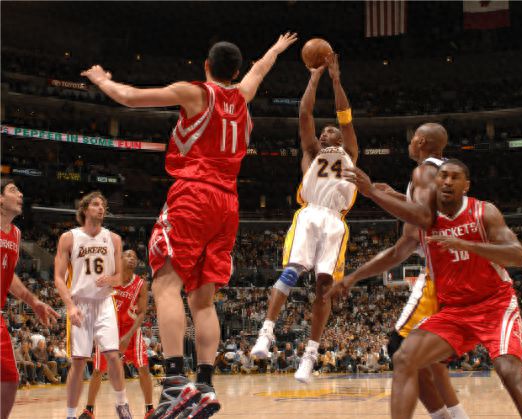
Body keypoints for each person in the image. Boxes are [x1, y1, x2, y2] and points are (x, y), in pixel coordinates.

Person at [82, 33, 297, 418]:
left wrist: (100, 80)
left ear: (206, 66)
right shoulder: (243, 96)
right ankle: (206, 385)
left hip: (195, 195)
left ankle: (175, 384)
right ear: (236, 72)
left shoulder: (196, 92)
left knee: (165, 283)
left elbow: (130, 97)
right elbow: (260, 70)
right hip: (228, 204)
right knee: (203, 299)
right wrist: (277, 49)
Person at [340, 123, 469, 418]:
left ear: (420, 141)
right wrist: (400, 197)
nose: (409, 144)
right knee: (427, 359)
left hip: (443, 272)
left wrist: (372, 192)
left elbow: (413, 233)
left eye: (412, 140)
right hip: (462, 268)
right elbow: (430, 211)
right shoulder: (443, 172)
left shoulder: (423, 171)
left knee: (400, 348)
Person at [390, 159, 522, 418]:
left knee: (508, 370)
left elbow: (518, 256)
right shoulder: (426, 219)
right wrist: (370, 190)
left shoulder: (484, 211)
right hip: (455, 311)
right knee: (403, 358)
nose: (447, 181)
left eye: (454, 177)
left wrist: (466, 244)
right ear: (435, 182)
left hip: (495, 305)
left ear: (466, 185)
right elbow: (399, 229)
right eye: (443, 176)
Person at [251, 53, 358, 385]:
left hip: (336, 220)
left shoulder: (349, 153)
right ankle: (266, 333)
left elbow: (345, 119)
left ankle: (310, 355)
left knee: (324, 286)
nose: (326, 133)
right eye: (322, 132)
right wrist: (314, 78)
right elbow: (304, 114)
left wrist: (336, 81)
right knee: (292, 270)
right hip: (310, 213)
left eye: (331, 131)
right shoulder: (311, 153)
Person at [54, 191, 131, 419]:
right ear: (85, 209)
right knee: (78, 362)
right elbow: (58, 278)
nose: (101, 208)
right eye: (96, 204)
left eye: (103, 205)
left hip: (105, 302)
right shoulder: (69, 238)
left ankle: (122, 404)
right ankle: (70, 414)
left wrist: (111, 280)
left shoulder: (114, 239)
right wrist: (70, 306)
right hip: (80, 303)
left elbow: (120, 277)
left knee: (113, 355)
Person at [1, 178, 59, 418]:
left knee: (9, 380)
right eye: (13, 190)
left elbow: (9, 276)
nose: (20, 194)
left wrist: (34, 301)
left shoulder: (15, 234)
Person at [79, 250, 153, 419]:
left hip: (131, 332)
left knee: (143, 368)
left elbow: (142, 313)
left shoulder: (141, 284)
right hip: (108, 330)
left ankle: (149, 409)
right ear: (119, 259)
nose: (132, 259)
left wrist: (128, 336)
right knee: (98, 370)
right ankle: (89, 410)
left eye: (135, 257)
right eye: (128, 256)